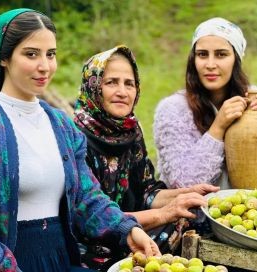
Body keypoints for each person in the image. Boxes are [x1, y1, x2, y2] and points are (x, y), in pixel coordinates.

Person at [0, 9, 159, 272]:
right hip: (0, 264)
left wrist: (127, 230)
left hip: (58, 260)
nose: (44, 66)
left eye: (50, 54)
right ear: (4, 58)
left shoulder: (61, 124)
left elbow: (87, 198)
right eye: (31, 54)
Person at [73, 45, 219, 270]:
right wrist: (163, 214)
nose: (123, 91)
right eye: (111, 82)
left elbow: (146, 190)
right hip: (92, 243)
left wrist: (185, 194)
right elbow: (91, 216)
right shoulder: (73, 137)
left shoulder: (130, 130)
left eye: (129, 83)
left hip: (132, 230)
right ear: (93, 85)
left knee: (185, 220)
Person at [153, 17, 257, 190]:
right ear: (193, 60)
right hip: (192, 215)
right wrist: (218, 128)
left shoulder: (253, 101)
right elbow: (183, 183)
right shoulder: (173, 109)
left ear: (236, 59)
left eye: (221, 54)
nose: (210, 64)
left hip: (245, 212)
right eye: (202, 54)